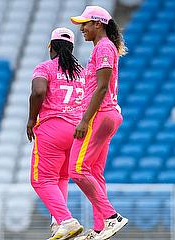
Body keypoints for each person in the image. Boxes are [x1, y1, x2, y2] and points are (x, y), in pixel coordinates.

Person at [70, 6, 128, 240]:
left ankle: (111, 217)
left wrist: (85, 120)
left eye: (85, 23)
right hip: (108, 114)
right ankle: (100, 227)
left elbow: (102, 87)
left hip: (99, 115)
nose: (82, 28)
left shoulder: (103, 47)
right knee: (94, 171)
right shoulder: (104, 47)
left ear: (98, 24)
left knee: (76, 169)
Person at [27, 27, 85, 240]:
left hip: (53, 128)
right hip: (77, 130)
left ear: (51, 47)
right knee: (62, 177)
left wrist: (31, 119)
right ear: (71, 48)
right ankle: (58, 221)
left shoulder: (45, 68)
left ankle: (67, 220)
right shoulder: (82, 71)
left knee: (41, 180)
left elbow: (38, 91)